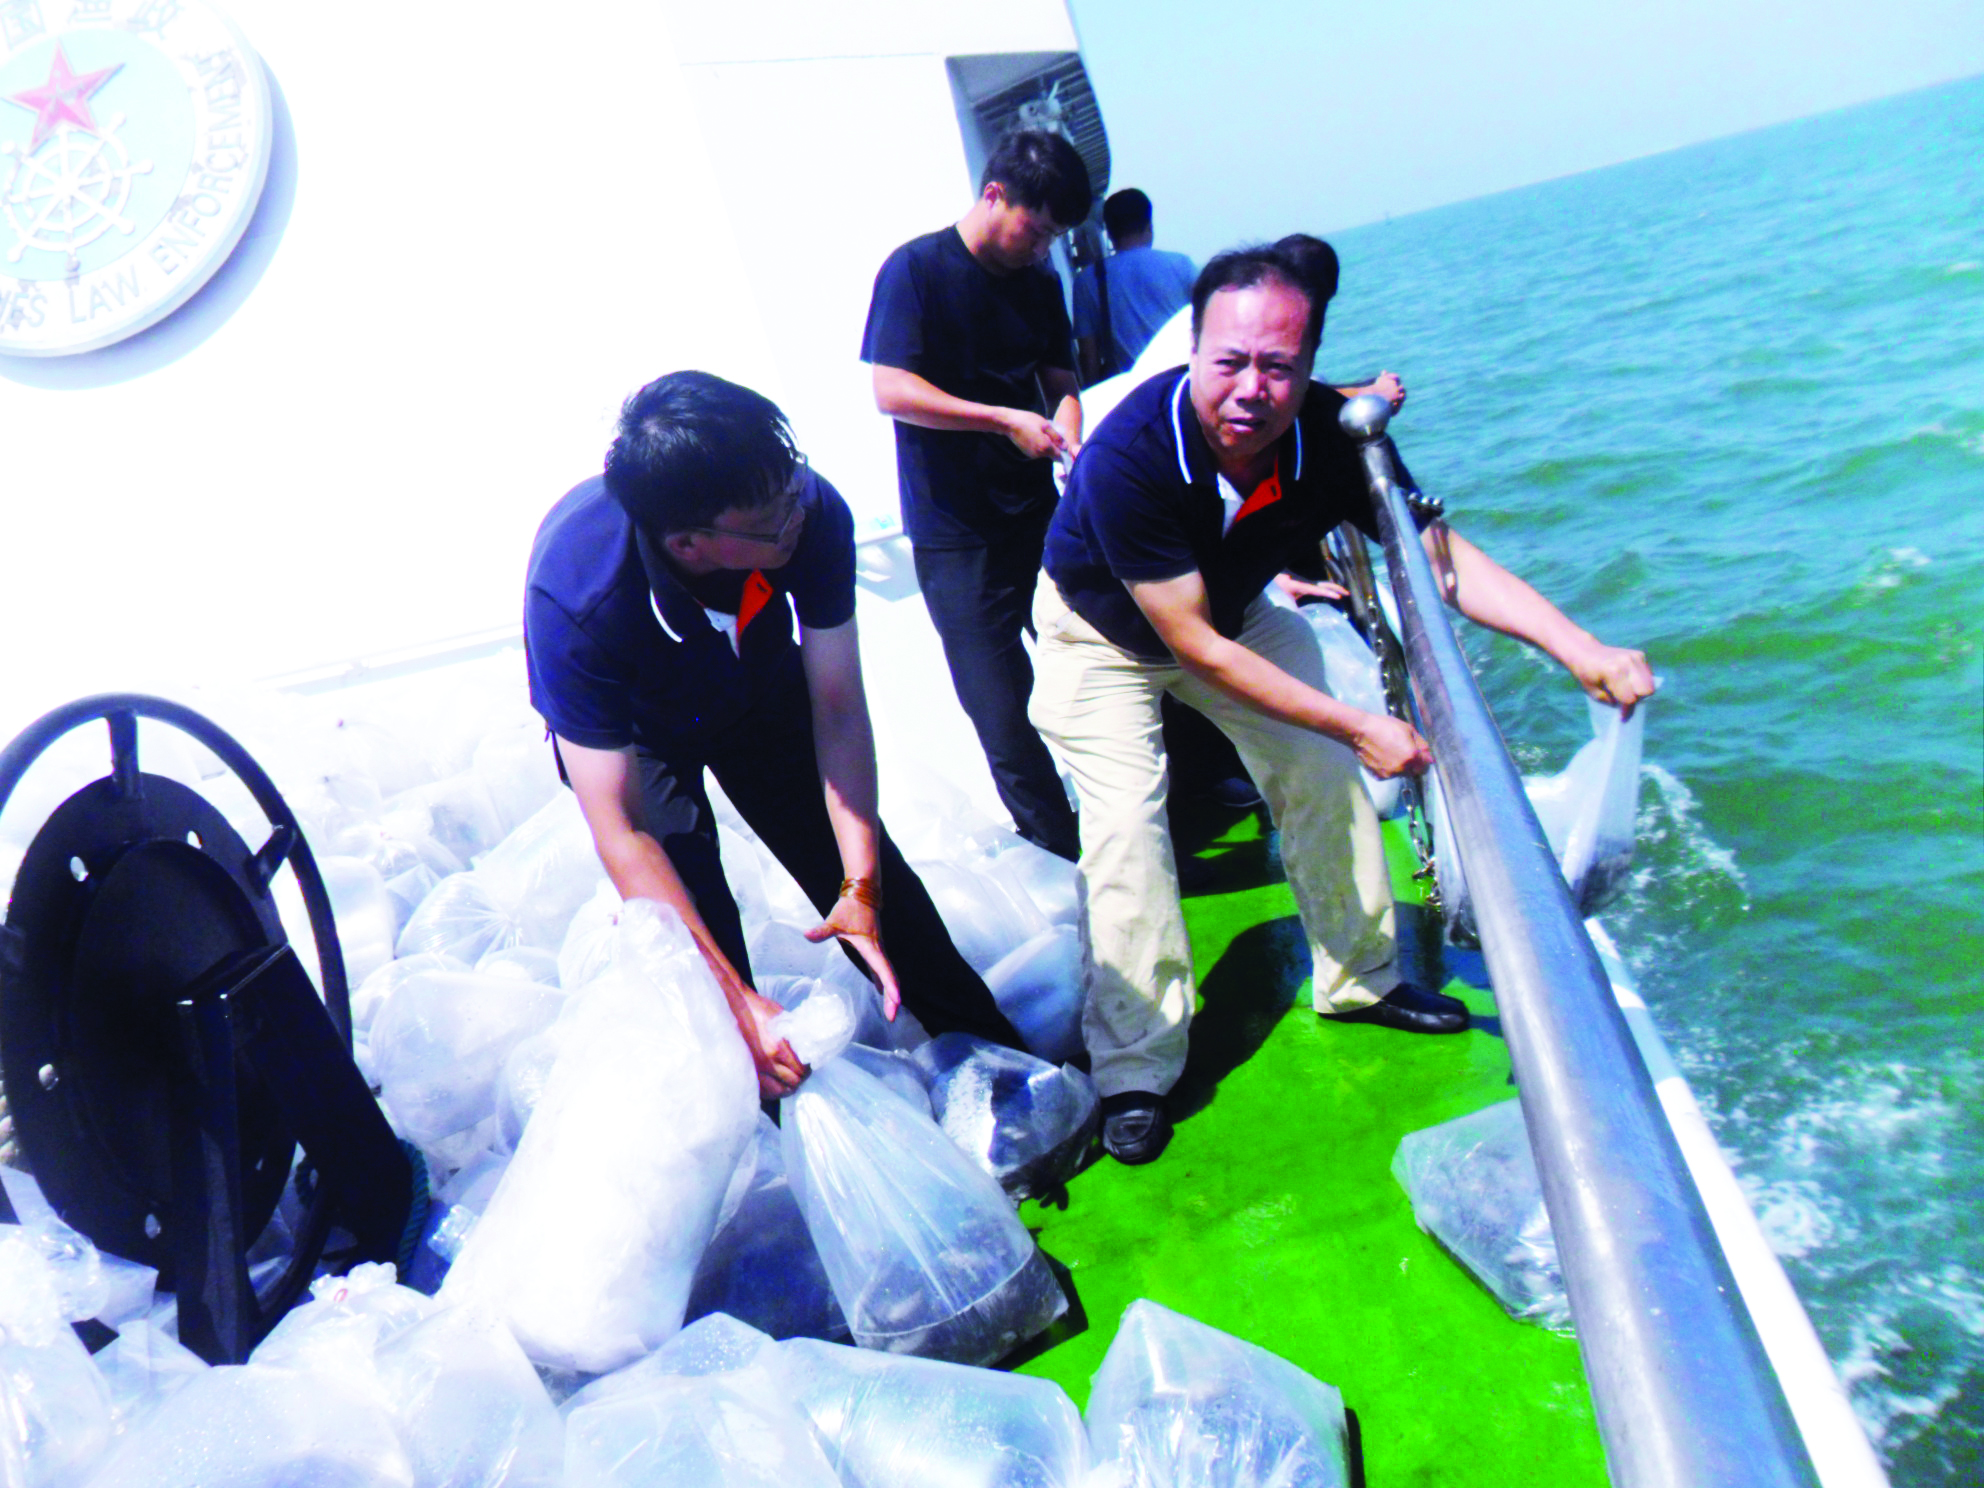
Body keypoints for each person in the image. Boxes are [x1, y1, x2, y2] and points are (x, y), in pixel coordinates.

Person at [1030, 237, 1656, 1164]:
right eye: (1229, 362)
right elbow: (1192, 648)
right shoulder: (1134, 455)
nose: (1250, 390)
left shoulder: (1337, 436)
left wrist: (1580, 649)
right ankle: (1135, 1066)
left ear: (1313, 366)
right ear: (1192, 350)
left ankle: (1360, 977)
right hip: (1104, 633)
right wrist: (1361, 722)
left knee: (1320, 770)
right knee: (1126, 822)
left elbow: (1439, 562)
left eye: (1278, 367)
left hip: (1231, 608)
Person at [523, 371, 1023, 1100]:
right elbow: (623, 831)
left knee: (875, 890)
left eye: (792, 484)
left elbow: (838, 707)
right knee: (699, 934)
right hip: (641, 731)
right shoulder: (577, 601)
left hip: (753, 685)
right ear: (690, 544)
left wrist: (859, 884)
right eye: (772, 516)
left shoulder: (804, 508)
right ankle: (773, 1116)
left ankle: (1003, 1071)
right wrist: (738, 1002)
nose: (797, 511)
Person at [861, 129, 1091, 863]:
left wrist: (1067, 431)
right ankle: (1059, 851)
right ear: (995, 195)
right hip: (955, 534)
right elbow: (891, 390)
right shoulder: (916, 270)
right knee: (1002, 711)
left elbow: (1061, 382)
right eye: (1037, 229)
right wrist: (1000, 419)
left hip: (1039, 516)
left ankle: (1156, 808)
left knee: (1100, 662)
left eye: (1055, 237)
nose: (1044, 248)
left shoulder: (1040, 282)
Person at [1074, 187, 1198, 386]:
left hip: (1131, 393)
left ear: (1109, 233)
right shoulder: (1183, 265)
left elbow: (1089, 357)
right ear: (1149, 226)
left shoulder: (1088, 281)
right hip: (1182, 383)